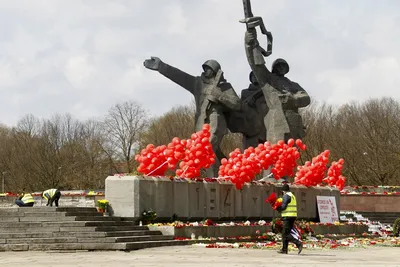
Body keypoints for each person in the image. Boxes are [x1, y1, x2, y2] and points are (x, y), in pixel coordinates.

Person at [143, 57, 242, 177]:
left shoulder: (224, 86)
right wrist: (161, 66)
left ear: (215, 71)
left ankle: (213, 178)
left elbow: (237, 104)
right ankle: (226, 171)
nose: (206, 71)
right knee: (207, 152)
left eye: (209, 69)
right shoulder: (198, 83)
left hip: (216, 121)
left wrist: (219, 95)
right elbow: (180, 76)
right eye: (205, 68)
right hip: (201, 123)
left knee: (207, 149)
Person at [244, 28, 311, 144]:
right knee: (276, 152)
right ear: (274, 68)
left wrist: (293, 98)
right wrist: (248, 43)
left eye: (283, 66)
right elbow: (255, 64)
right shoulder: (268, 80)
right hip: (276, 119)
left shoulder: (293, 85)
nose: (281, 68)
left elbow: (306, 98)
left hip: (292, 119)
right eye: (279, 66)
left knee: (292, 153)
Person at [276, 184, 303, 254]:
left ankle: (298, 243)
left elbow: (284, 207)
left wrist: (278, 208)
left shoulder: (286, 196)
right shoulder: (292, 196)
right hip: (292, 216)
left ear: (283, 191)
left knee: (285, 234)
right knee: (286, 233)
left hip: (288, 216)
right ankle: (284, 249)